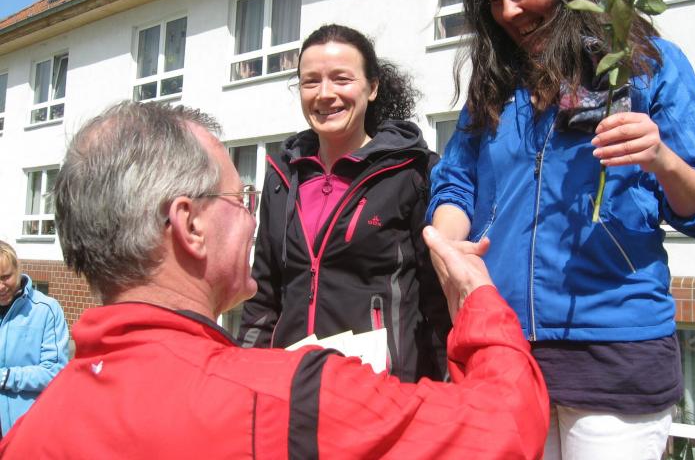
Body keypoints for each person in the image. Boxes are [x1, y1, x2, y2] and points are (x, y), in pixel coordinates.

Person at [0, 101, 549, 458]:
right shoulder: (292, 397)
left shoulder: (33, 432)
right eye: (239, 198)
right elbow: (505, 425)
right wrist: (478, 298)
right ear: (190, 225)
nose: (252, 216)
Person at [427, 0, 695, 459]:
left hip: (615, 351)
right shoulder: (496, 84)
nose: (508, 11)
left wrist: (661, 159)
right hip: (504, 345)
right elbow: (457, 183)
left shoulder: (645, 65)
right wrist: (449, 244)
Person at [238, 24, 450, 382]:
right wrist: (245, 376)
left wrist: (446, 389)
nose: (325, 94)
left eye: (341, 79)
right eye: (310, 81)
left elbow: (438, 301)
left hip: (383, 390)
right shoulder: (281, 178)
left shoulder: (412, 173)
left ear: (372, 87)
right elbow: (263, 297)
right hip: (292, 387)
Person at [0, 240, 69, 437]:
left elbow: (55, 371)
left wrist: (6, 377)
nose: (1, 286)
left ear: (18, 270)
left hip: (25, 428)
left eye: (5, 277)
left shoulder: (46, 309)